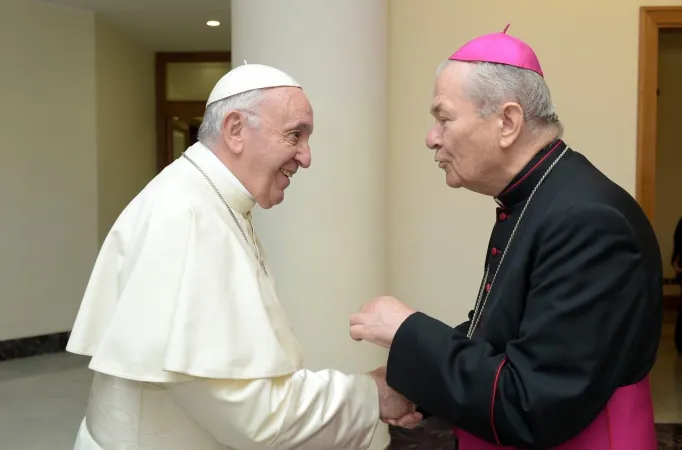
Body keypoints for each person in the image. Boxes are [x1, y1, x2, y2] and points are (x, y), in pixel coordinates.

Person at [66, 63, 421, 450]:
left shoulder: (204, 199)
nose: (306, 157)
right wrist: (372, 394)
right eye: (294, 135)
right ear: (235, 130)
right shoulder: (188, 216)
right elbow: (255, 417)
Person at [349, 26, 663, 450]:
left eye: (443, 117)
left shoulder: (588, 220)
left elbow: (533, 402)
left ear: (508, 122)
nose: (431, 137)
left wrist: (407, 332)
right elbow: (508, 332)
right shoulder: (544, 195)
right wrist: (411, 381)